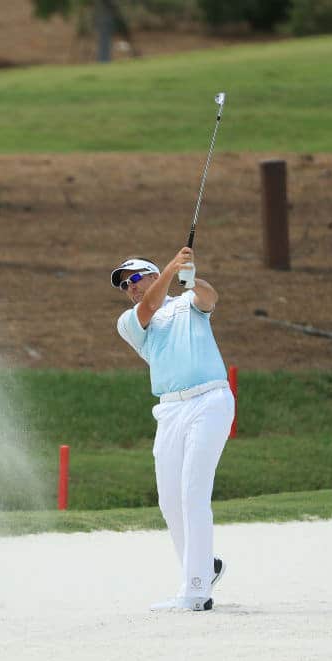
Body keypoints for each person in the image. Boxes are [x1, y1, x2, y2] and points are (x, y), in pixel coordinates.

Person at [111, 247, 233, 612]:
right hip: (170, 410)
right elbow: (149, 306)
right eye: (124, 285)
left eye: (135, 279)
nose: (130, 288)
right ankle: (204, 567)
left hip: (210, 400)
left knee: (193, 493)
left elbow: (211, 299)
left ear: (150, 276)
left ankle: (196, 590)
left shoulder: (187, 304)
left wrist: (193, 279)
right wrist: (171, 269)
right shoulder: (130, 321)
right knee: (169, 501)